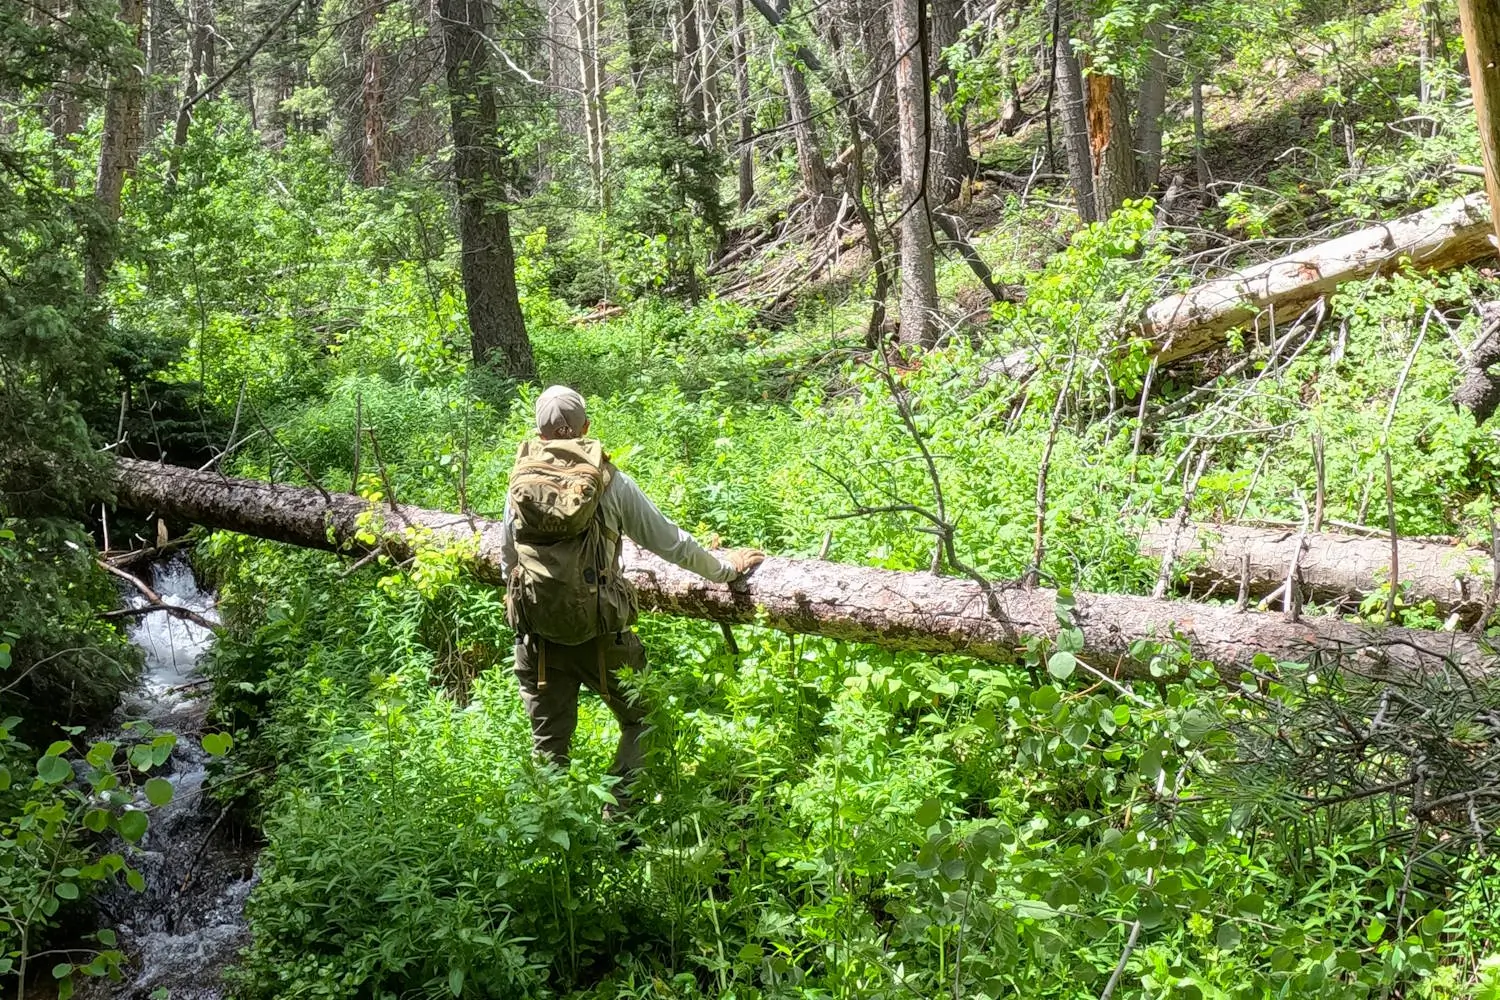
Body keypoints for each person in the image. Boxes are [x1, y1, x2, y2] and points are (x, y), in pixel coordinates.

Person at [498, 385, 764, 808]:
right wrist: (726, 569)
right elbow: (672, 544)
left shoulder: (520, 486)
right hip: (604, 639)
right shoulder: (610, 483)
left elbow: (507, 561)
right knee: (646, 720)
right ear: (586, 427)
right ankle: (618, 818)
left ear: (540, 434)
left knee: (548, 748)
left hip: (539, 644)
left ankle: (552, 843)